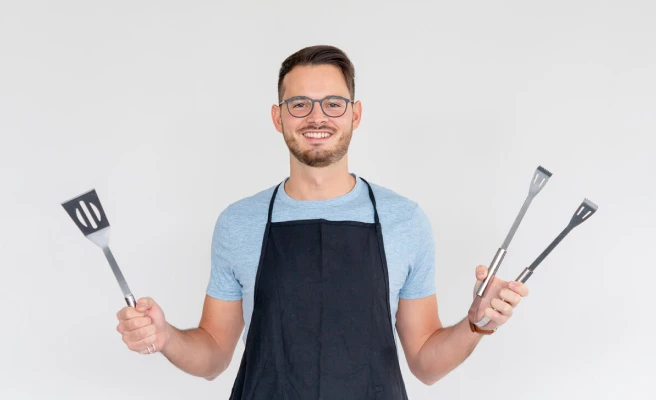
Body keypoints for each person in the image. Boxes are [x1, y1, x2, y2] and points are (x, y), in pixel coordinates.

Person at [116, 44, 529, 399]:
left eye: (333, 103)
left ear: (355, 114)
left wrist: (476, 324)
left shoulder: (404, 220)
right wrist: (166, 336)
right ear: (279, 117)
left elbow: (426, 362)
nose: (317, 118)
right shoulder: (239, 223)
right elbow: (212, 356)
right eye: (300, 105)